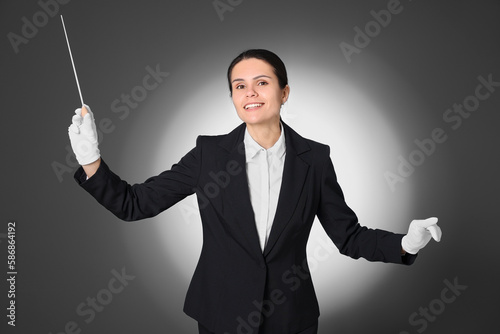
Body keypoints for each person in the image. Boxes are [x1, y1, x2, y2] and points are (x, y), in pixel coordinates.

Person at [68, 49, 442, 334]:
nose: (250, 93)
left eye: (262, 82)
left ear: (284, 92)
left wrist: (406, 243)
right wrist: (91, 160)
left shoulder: (315, 160)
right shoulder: (208, 155)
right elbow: (136, 204)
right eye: (239, 86)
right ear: (232, 96)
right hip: (220, 315)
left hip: (291, 318)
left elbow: (348, 236)